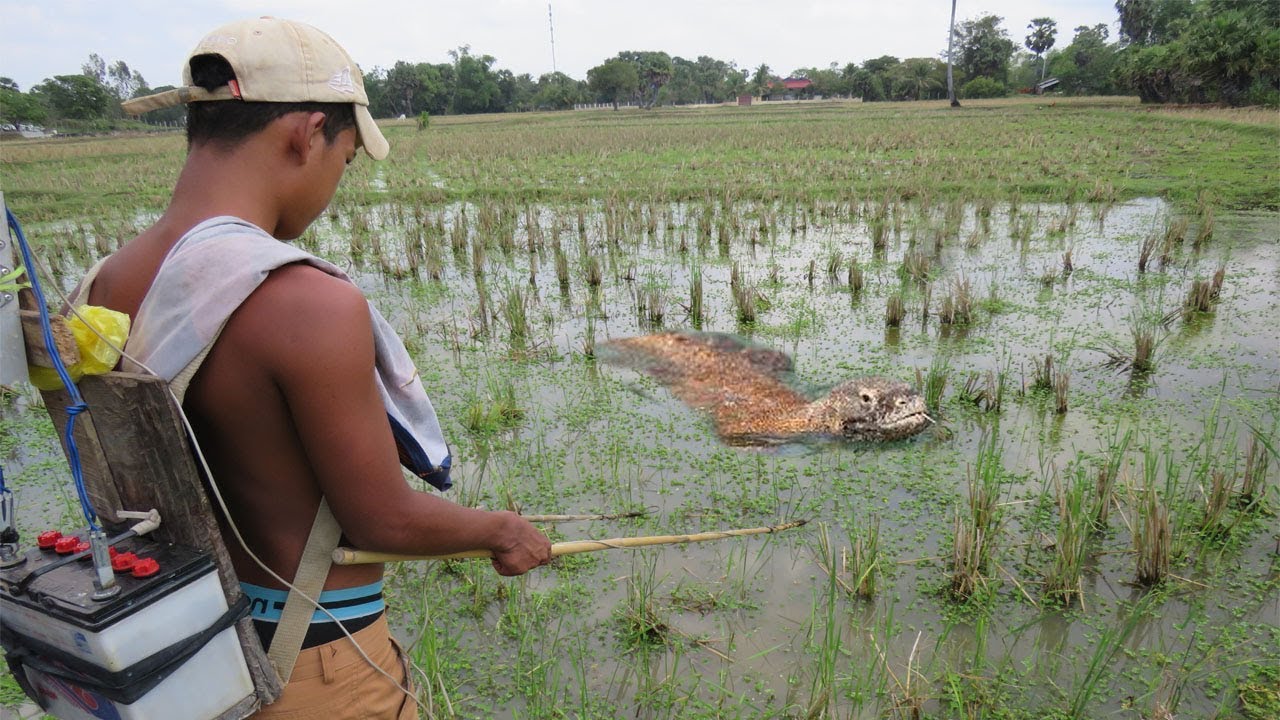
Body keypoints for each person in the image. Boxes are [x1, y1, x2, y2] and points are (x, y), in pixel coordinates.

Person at [71, 17, 552, 719]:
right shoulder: (306, 304)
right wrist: (499, 531)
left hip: (184, 657)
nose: (336, 182)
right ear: (305, 133)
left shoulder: (105, 285)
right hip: (313, 664)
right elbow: (381, 519)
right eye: (346, 158)